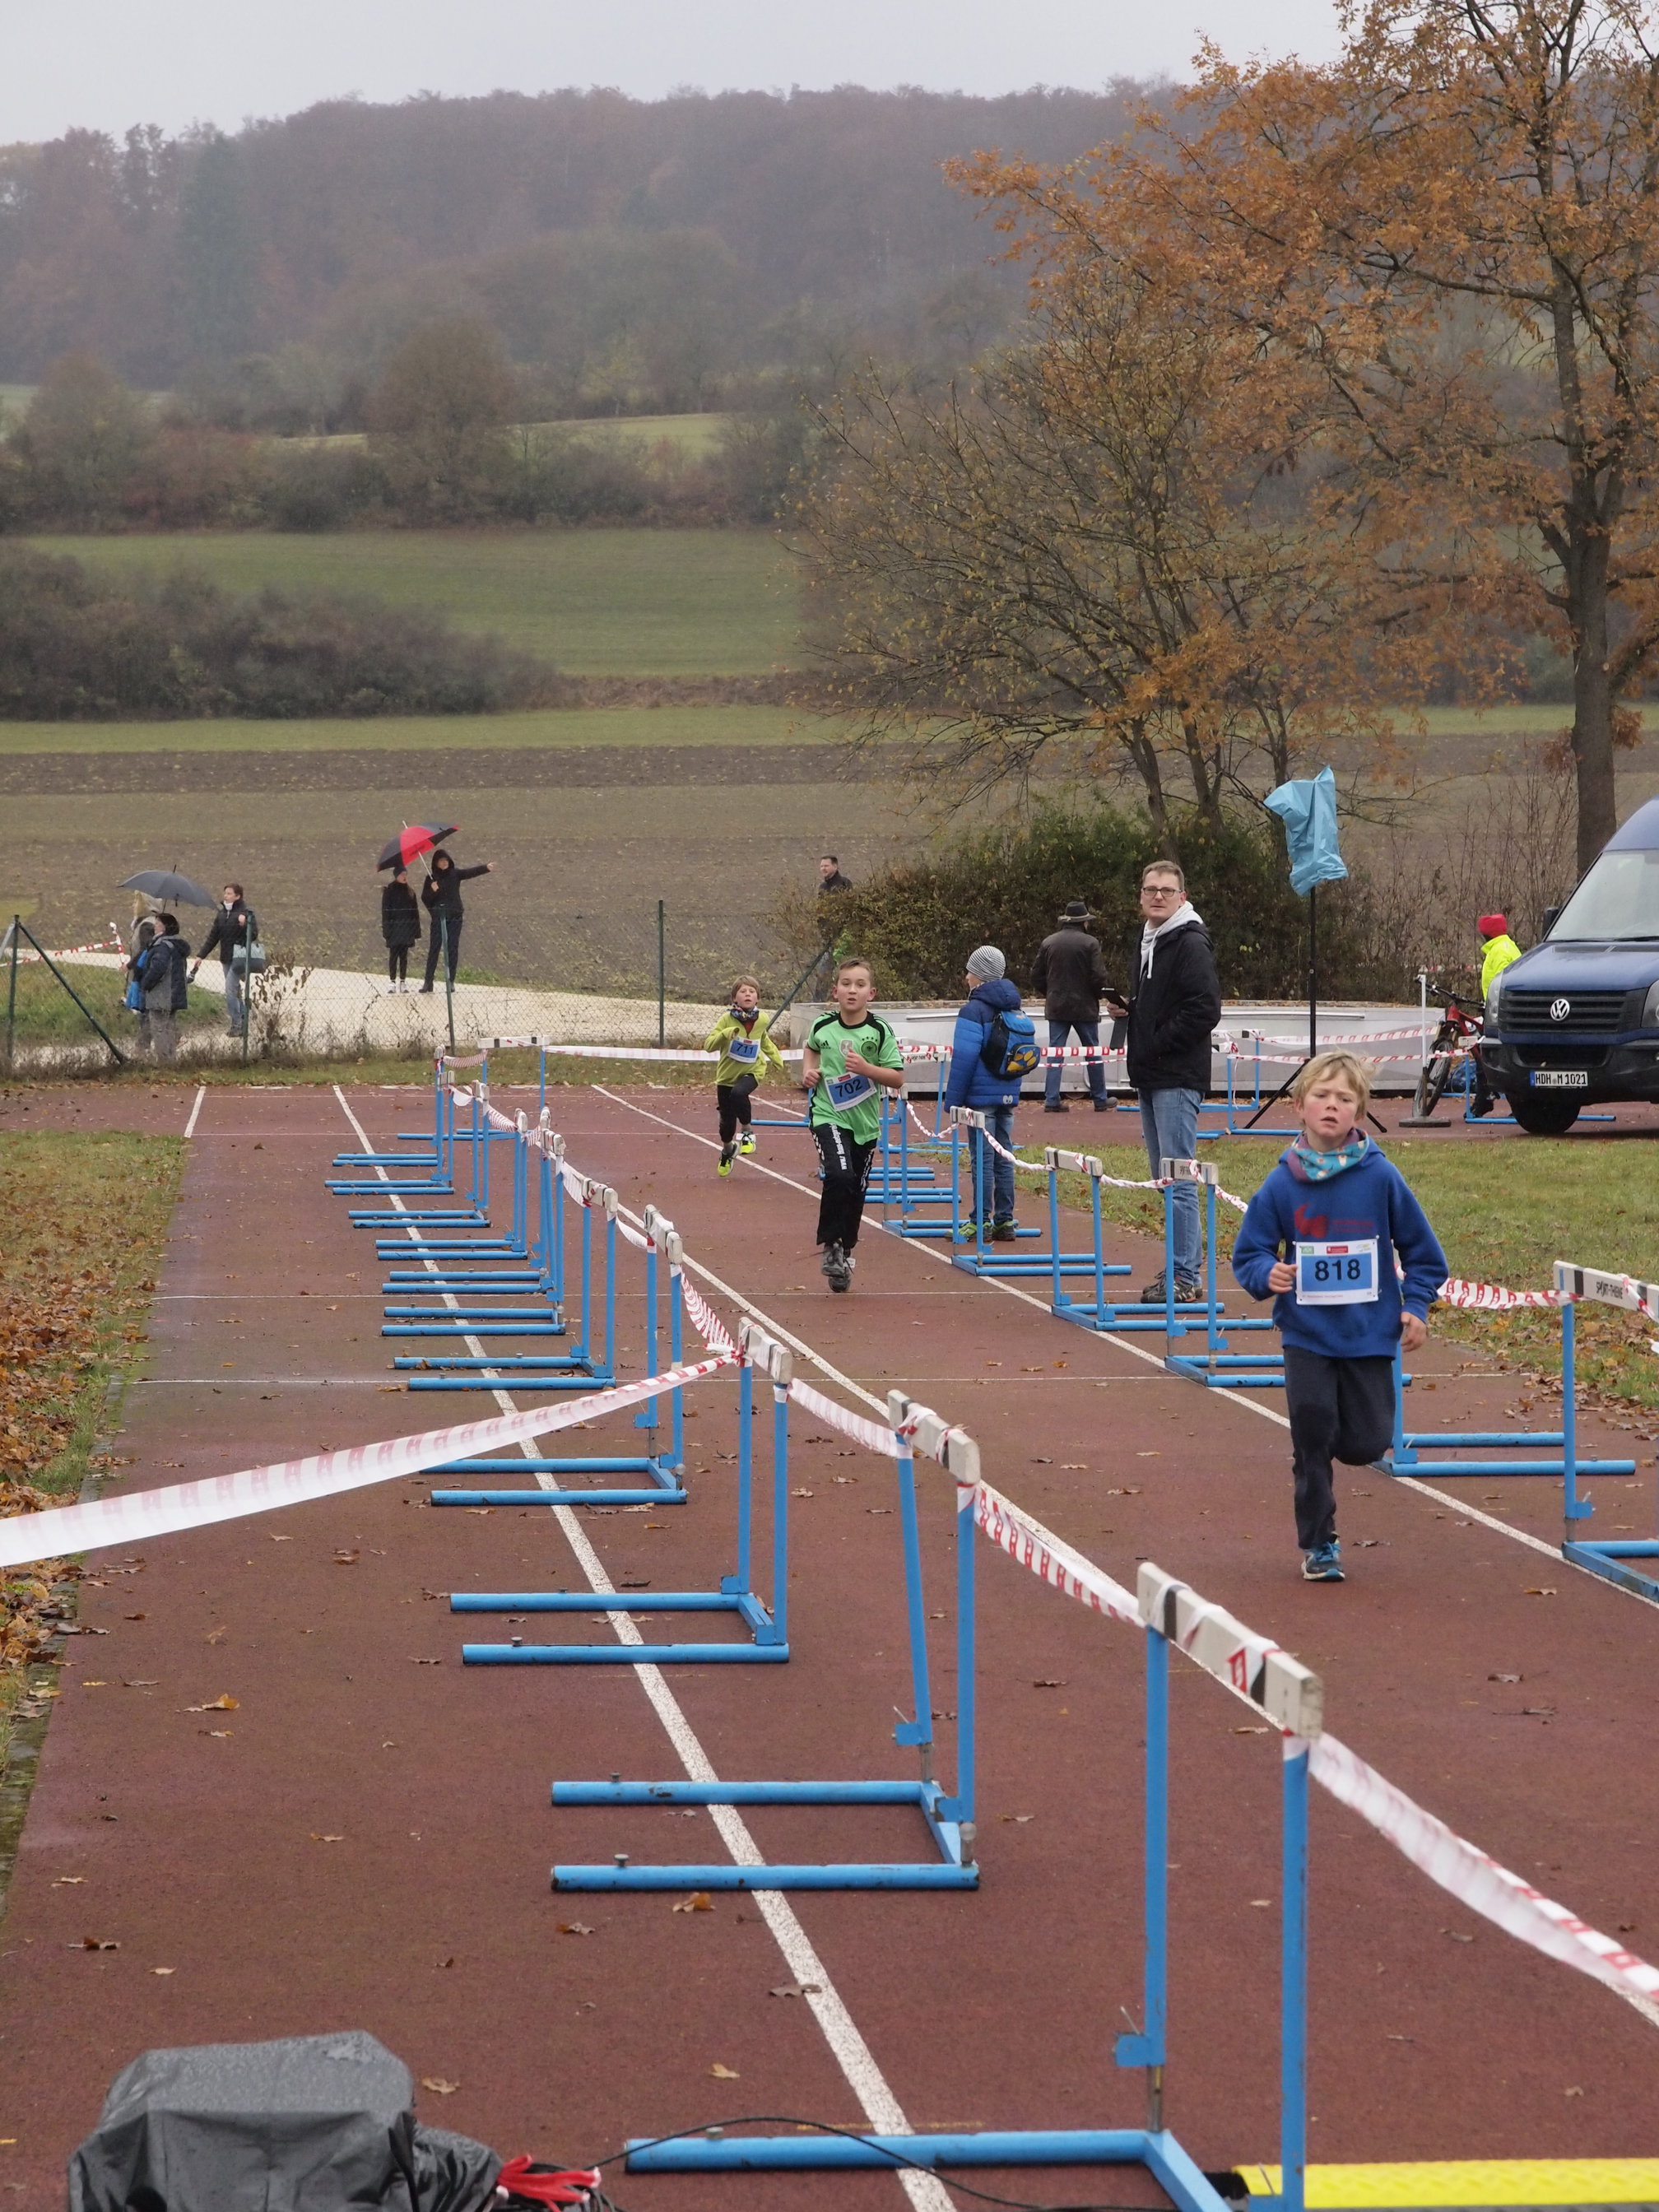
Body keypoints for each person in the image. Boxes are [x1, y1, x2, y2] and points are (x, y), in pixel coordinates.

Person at [1232, 1051, 1447, 1582]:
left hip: (1369, 1332)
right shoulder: (1281, 1184)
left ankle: (1336, 1445)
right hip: (1306, 1333)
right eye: (1322, 1096)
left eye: (1345, 1098)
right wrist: (1267, 1273)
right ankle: (1319, 1542)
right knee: (1311, 1430)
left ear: (1360, 1112)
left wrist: (1416, 1306)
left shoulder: (1381, 1177)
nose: (1332, 1106)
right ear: (1299, 1106)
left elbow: (1425, 1255)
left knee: (1366, 1443)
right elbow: (1250, 1252)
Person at [1104, 861, 1221, 1304]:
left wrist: (1155, 1042)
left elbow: (1204, 1009)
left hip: (1176, 1074)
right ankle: (1180, 1266)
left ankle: (1186, 1276)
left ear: (1182, 898)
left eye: (1166, 891)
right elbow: (1161, 1003)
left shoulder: (1190, 942)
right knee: (1163, 1177)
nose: (1157, 896)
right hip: (1150, 1073)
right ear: (1140, 896)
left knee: (1178, 1177)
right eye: (1150, 889)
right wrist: (1131, 1010)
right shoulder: (1149, 939)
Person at [802, 956, 905, 1291]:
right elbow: (810, 1049)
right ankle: (830, 1245)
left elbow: (897, 1078)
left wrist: (866, 1069)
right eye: (846, 984)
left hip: (865, 1124)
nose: (852, 990)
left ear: (871, 994)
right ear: (835, 991)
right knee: (839, 1174)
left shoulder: (879, 1031)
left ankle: (845, 1251)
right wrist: (809, 1072)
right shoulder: (823, 1025)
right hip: (827, 1114)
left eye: (860, 985)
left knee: (857, 1189)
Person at [942, 946, 1027, 1242]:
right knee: (1004, 1157)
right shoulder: (1015, 1008)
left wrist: (952, 1102)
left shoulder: (973, 1011)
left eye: (970, 971)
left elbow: (964, 1059)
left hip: (980, 1099)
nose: (966, 977)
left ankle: (980, 1221)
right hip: (1007, 1094)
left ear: (979, 975)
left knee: (982, 1160)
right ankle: (1005, 1220)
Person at [1032, 899, 1113, 1114]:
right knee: (1092, 1052)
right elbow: (1098, 976)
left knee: (1056, 1052)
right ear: (1084, 923)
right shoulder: (1090, 943)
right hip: (1085, 1007)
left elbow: (1036, 975)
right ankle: (1100, 1099)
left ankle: (1051, 1100)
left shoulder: (1049, 942)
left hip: (1057, 1007)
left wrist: (1051, 993)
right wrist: (1096, 996)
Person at [705, 974, 788, 1175]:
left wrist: (776, 1057)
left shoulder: (762, 1019)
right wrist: (725, 1034)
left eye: (752, 991)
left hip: (753, 1070)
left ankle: (748, 1132)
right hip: (727, 1076)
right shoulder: (726, 1020)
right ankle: (728, 1149)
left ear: (758, 998)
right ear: (735, 998)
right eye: (743, 991)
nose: (748, 994)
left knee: (739, 1093)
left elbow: (763, 1039)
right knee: (726, 1125)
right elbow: (708, 1045)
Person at [1471, 913, 1523, 1117]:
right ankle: (1507, 1102)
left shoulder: (1499, 951)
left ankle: (1489, 1100)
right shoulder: (1507, 946)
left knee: (1491, 1056)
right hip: (1502, 1010)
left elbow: (1503, 983)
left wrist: (1494, 1007)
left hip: (1501, 1012)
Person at [420, 848, 494, 992]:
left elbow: (470, 872)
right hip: (439, 918)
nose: (444, 863)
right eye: (441, 861)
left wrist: (486, 868)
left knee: (452, 948)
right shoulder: (431, 878)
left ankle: (451, 981)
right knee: (434, 949)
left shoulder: (455, 874)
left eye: (446, 860)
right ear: (436, 863)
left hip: (455, 918)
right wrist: (432, 891)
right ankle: (428, 982)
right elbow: (425, 899)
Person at [191, 882, 258, 1035]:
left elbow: (254, 935)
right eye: (225, 893)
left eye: (229, 893)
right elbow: (213, 937)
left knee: (230, 990)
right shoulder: (221, 914)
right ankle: (243, 1020)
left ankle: (236, 1024)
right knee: (236, 991)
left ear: (238, 896)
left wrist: (245, 924)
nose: (225, 896)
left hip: (239, 958)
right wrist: (201, 955)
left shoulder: (246, 913)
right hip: (226, 958)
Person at [137, 913, 190, 1065]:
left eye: (158, 923)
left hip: (162, 994)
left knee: (159, 1028)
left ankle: (165, 1062)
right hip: (175, 993)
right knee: (169, 1027)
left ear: (165, 927)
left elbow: (158, 968)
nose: (155, 926)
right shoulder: (176, 945)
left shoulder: (162, 947)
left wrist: (146, 983)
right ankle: (171, 1061)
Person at [381, 866, 421, 992]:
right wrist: (387, 931)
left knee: (404, 957)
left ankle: (403, 982)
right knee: (393, 956)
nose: (404, 877)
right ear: (396, 876)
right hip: (394, 930)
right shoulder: (389, 891)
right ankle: (392, 982)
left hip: (406, 930)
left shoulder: (410, 892)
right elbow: (385, 913)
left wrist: (416, 931)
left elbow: (415, 913)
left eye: (406, 874)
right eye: (402, 874)